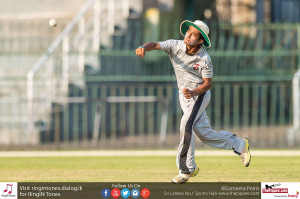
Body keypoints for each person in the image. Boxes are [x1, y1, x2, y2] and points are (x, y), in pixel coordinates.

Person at [135, 20, 251, 184]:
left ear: (201, 40)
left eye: (193, 34)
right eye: (188, 31)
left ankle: (186, 170)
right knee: (205, 135)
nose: (188, 35)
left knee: (185, 124)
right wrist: (144, 47)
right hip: (185, 96)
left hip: (200, 95)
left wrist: (194, 92)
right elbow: (155, 44)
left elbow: (208, 84)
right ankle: (239, 144)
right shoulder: (175, 45)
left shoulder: (204, 59)